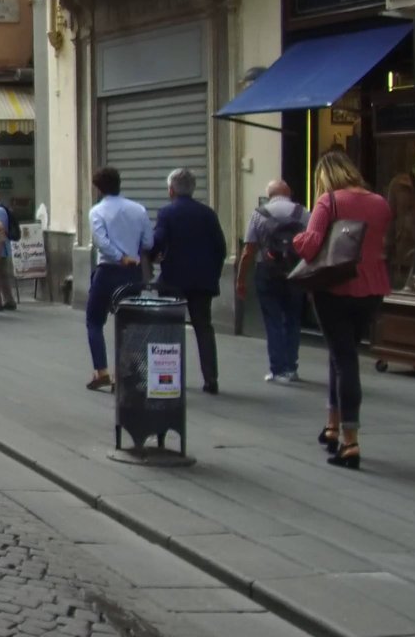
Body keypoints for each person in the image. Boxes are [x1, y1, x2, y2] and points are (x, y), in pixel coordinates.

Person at [294, 151, 391, 470]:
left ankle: (350, 441)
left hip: (335, 288)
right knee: (342, 354)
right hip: (372, 288)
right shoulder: (380, 203)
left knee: (344, 359)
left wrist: (296, 239)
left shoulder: (329, 202)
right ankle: (332, 427)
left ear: (325, 177)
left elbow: (310, 247)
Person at [150, 168, 228, 394]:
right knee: (203, 328)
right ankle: (211, 379)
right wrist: (213, 274)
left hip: (173, 279)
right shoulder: (208, 213)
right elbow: (221, 248)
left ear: (171, 190)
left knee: (170, 328)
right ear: (193, 189)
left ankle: (171, 375)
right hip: (202, 281)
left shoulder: (167, 213)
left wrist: (152, 256)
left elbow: (158, 240)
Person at [86, 167, 155, 392]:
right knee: (128, 322)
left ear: (98, 188)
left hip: (107, 270)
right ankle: (124, 373)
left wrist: (119, 256)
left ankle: (102, 371)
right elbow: (148, 241)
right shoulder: (138, 209)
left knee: (94, 320)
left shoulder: (97, 211)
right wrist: (131, 253)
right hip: (132, 273)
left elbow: (101, 241)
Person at [236, 180, 308, 383]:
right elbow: (313, 245)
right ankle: (291, 368)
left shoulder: (259, 214)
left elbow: (248, 251)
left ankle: (277, 369)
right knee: (293, 320)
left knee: (272, 321)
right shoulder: (303, 213)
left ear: (269, 195)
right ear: (289, 193)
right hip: (296, 272)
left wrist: (241, 280)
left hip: (267, 272)